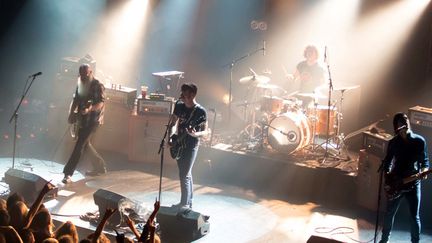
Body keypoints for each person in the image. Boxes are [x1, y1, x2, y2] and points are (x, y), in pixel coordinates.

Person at [379, 112, 429, 243]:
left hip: (413, 184)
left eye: (406, 120)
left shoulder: (419, 141)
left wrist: (423, 172)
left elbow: (425, 162)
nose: (405, 122)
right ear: (397, 126)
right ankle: (384, 241)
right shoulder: (394, 143)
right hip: (397, 183)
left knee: (414, 217)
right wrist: (388, 179)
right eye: (401, 121)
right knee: (389, 214)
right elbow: (388, 162)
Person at [63, 64, 107, 184]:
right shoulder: (80, 83)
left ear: (90, 72)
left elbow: (101, 103)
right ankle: (100, 167)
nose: (83, 77)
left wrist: (89, 109)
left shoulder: (97, 85)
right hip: (83, 119)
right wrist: (71, 113)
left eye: (85, 75)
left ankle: (67, 173)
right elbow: (75, 99)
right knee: (85, 144)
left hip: (93, 120)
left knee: (79, 145)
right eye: (81, 75)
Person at [168, 83, 208, 210]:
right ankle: (188, 202)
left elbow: (206, 131)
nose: (183, 96)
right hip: (179, 143)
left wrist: (196, 134)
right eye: (183, 93)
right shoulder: (179, 105)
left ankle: (184, 204)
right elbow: (173, 122)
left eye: (186, 93)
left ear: (192, 95)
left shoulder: (200, 111)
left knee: (184, 174)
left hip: (191, 145)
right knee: (186, 173)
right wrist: (170, 135)